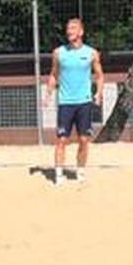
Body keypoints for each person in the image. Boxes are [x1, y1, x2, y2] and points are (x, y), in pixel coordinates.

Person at [44, 18, 104, 185]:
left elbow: (99, 76)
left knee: (84, 140)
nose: (69, 31)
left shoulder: (91, 53)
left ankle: (81, 171)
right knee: (62, 139)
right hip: (65, 103)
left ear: (81, 32)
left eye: (73, 28)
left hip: (84, 103)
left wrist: (98, 92)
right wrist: (48, 93)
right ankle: (58, 175)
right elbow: (54, 74)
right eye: (68, 28)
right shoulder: (58, 53)